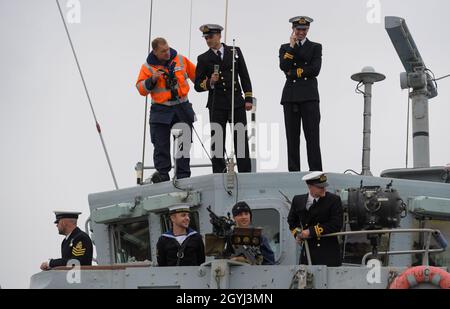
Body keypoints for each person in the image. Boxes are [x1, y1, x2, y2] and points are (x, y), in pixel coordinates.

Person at [136, 38, 196, 183]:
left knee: (184, 142)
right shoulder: (147, 67)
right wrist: (152, 80)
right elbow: (140, 88)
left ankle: (183, 175)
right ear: (155, 51)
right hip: (160, 109)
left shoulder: (181, 60)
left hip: (181, 106)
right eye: (163, 51)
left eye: (168, 49)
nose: (167, 53)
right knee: (160, 143)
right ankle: (163, 174)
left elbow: (197, 76)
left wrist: (209, 83)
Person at [195, 24, 253, 174]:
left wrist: (248, 98)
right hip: (217, 103)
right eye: (206, 38)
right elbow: (197, 85)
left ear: (219, 35)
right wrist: (210, 82)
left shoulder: (234, 51)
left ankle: (245, 173)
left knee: (240, 140)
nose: (208, 40)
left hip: (236, 102)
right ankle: (219, 173)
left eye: (211, 37)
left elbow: (244, 75)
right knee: (217, 141)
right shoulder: (203, 58)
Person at [279, 16, 323, 172]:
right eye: (298, 29)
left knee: (312, 136)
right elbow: (283, 66)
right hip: (290, 96)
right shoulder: (285, 48)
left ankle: (316, 172)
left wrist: (294, 72)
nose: (301, 32)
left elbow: (314, 70)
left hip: (309, 96)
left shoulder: (315, 47)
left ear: (308, 30)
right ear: (293, 30)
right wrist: (292, 47)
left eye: (304, 30)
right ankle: (293, 171)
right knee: (292, 137)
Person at [287, 172, 343, 266]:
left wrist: (310, 231)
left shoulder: (333, 200)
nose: (324, 189)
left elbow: (336, 224)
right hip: (308, 252)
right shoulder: (298, 200)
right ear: (310, 186)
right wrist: (298, 233)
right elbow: (292, 221)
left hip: (328, 254)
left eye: (324, 186)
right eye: (320, 187)